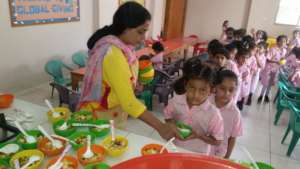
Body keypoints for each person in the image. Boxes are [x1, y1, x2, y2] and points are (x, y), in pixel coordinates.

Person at [78, 2, 180, 140]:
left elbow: (122, 76)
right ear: (125, 28)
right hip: (101, 114)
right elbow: (128, 102)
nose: (143, 37)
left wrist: (133, 83)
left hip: (112, 110)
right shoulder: (112, 53)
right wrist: (160, 126)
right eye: (140, 32)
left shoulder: (125, 48)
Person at [164, 60, 224, 154]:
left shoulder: (214, 114)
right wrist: (172, 125)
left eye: (202, 90)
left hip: (199, 154)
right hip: (175, 148)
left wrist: (199, 135)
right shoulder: (175, 101)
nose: (195, 95)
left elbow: (217, 141)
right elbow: (168, 117)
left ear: (211, 91)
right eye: (192, 88)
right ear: (186, 85)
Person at [210, 70, 242, 158]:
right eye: (222, 88)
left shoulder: (235, 113)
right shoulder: (206, 102)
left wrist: (227, 157)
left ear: (235, 90)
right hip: (200, 149)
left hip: (218, 154)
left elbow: (233, 138)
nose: (226, 93)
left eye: (231, 90)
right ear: (215, 87)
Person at [258, 35, 288, 103]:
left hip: (276, 69)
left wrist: (283, 60)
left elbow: (282, 58)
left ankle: (266, 95)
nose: (283, 42)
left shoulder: (284, 50)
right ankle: (261, 95)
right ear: (277, 41)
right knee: (266, 83)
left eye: (284, 41)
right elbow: (267, 59)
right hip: (269, 68)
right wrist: (276, 61)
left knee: (270, 83)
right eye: (281, 41)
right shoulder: (273, 49)